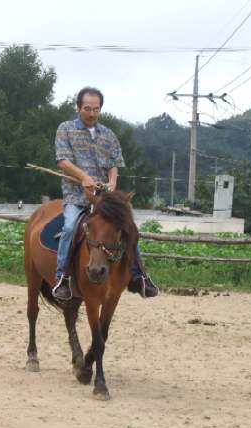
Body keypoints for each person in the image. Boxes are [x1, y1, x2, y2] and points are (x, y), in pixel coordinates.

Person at [52, 86, 159, 302]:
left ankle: (139, 275)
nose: (91, 113)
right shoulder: (65, 129)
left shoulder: (108, 135)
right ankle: (62, 277)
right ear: (78, 107)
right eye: (87, 108)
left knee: (128, 227)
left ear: (100, 109)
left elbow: (114, 165)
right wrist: (83, 177)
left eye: (96, 109)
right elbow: (62, 161)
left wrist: (111, 182)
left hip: (104, 199)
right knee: (70, 226)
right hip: (76, 196)